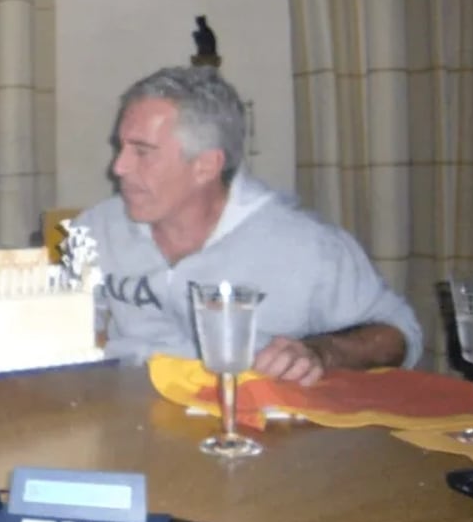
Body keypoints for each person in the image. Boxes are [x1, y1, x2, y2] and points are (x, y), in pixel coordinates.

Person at [76, 66, 421, 385]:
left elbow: (400, 333)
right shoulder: (96, 230)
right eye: (121, 147)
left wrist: (321, 352)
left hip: (251, 418)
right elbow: (62, 326)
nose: (118, 167)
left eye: (142, 152)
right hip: (130, 415)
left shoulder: (306, 247)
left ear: (206, 166)